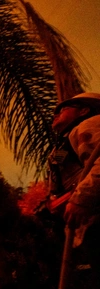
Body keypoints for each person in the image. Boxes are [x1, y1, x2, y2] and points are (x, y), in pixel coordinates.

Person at [51, 92, 100, 277]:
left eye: (64, 109)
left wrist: (81, 198)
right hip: (90, 224)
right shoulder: (63, 145)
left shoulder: (89, 125)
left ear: (84, 110)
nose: (56, 113)